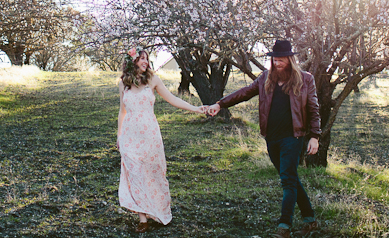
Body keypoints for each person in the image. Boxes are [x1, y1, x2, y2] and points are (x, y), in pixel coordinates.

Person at [207, 40, 321, 238]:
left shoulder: (305, 79)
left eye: (282, 60)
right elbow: (244, 93)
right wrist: (220, 104)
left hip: (293, 137)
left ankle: (284, 227)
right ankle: (310, 220)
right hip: (272, 138)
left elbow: (313, 108)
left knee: (287, 181)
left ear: (290, 59)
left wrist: (314, 136)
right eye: (275, 60)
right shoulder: (266, 78)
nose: (278, 63)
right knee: (290, 178)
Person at [117, 46, 207, 233]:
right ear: (131, 61)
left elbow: (173, 99)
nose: (145, 62)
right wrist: (119, 136)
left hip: (150, 135)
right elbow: (122, 111)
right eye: (141, 58)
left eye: (146, 59)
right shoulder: (123, 84)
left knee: (154, 174)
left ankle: (158, 211)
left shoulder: (153, 80)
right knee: (134, 174)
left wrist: (196, 108)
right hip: (130, 136)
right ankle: (143, 219)